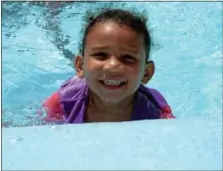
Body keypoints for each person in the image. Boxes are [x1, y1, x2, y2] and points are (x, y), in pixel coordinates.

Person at [42, 8, 176, 124]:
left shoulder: (157, 115)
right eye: (101, 55)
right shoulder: (63, 102)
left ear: (146, 73)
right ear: (81, 66)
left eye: (127, 58)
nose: (112, 66)